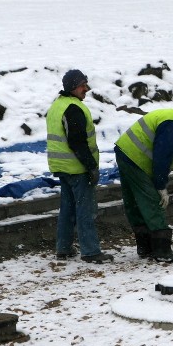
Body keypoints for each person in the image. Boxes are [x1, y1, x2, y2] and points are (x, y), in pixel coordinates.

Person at [114, 88, 173, 263]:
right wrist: (161, 186)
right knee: (152, 200)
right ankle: (162, 250)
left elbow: (163, 148)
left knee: (133, 201)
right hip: (134, 158)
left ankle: (145, 246)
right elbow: (161, 156)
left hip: (125, 152)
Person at [46, 69, 113, 263]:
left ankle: (64, 248)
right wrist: (91, 166)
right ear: (73, 87)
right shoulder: (73, 108)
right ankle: (91, 251)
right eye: (83, 85)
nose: (86, 89)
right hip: (77, 167)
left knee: (67, 209)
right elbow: (77, 142)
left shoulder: (57, 105)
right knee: (86, 210)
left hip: (62, 167)